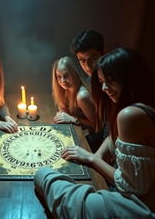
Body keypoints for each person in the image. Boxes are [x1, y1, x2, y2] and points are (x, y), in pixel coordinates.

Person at [34, 47, 155, 218]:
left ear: (129, 78)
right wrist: (93, 160)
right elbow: (112, 138)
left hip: (138, 206)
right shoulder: (130, 106)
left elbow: (132, 187)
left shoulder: (130, 115)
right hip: (130, 194)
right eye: (101, 81)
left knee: (43, 175)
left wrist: (91, 159)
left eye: (110, 81)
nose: (104, 88)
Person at [52, 56, 95, 129]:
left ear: (75, 73)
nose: (63, 81)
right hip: (77, 130)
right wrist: (63, 113)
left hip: (90, 136)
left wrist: (73, 119)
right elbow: (63, 109)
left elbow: (97, 125)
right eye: (59, 76)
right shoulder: (65, 89)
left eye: (66, 76)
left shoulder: (82, 96)